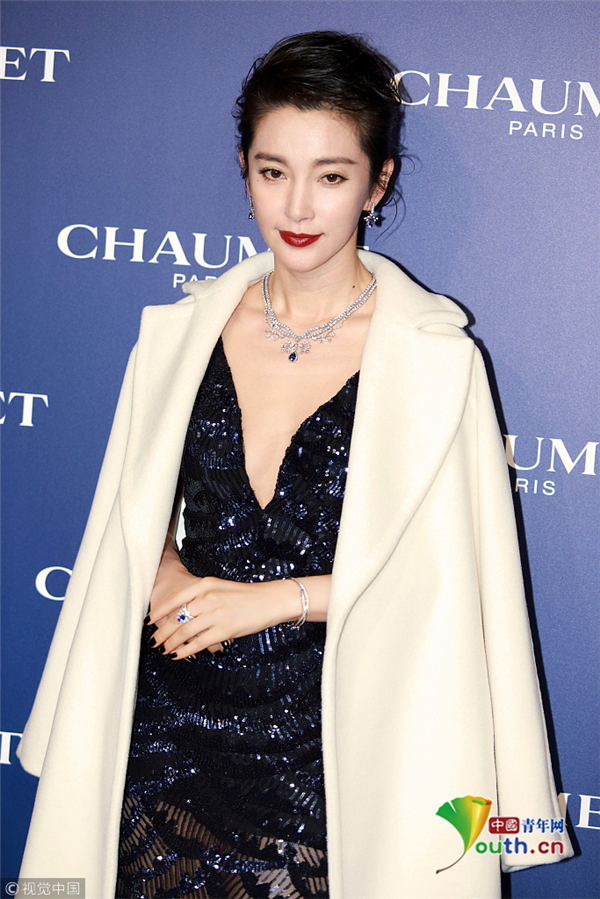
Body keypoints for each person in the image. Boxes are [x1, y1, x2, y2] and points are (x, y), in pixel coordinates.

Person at [17, 31, 571, 899]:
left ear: (378, 183)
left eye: (332, 175)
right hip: (169, 742)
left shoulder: (436, 361)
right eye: (273, 171)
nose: (299, 205)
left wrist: (278, 599)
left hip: (338, 750)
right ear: (245, 171)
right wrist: (163, 568)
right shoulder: (179, 334)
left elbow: (447, 586)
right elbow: (131, 511)